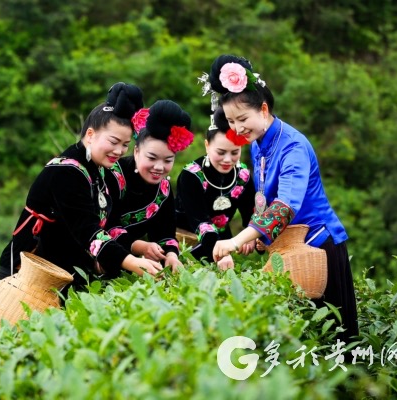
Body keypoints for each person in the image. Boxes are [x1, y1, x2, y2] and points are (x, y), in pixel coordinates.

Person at [209, 54, 359, 342]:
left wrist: (236, 239)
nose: (238, 128)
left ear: (263, 110)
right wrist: (254, 235)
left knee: (335, 340)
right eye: (230, 121)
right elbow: (264, 197)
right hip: (288, 246)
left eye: (242, 119)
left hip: (317, 246)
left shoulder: (293, 146)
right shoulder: (257, 143)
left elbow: (285, 206)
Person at [0, 82, 163, 289]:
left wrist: (140, 248)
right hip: (30, 271)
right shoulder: (66, 172)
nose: (119, 151)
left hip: (67, 271)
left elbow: (108, 225)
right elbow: (87, 231)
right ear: (91, 135)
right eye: (113, 141)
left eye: (125, 145)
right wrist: (132, 262)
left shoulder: (101, 170)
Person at [106, 100, 195, 272]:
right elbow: (102, 226)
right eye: (152, 158)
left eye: (168, 160)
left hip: (131, 265)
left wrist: (171, 255)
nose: (159, 167)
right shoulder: (112, 175)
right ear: (136, 151)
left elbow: (166, 232)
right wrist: (140, 247)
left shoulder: (163, 189)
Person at [175, 106, 256, 270]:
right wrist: (222, 253)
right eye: (221, 152)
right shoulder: (190, 175)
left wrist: (250, 236)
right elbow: (201, 222)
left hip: (223, 244)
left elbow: (251, 214)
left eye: (234, 152)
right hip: (184, 243)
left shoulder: (243, 175)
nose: (227, 160)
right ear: (207, 145)